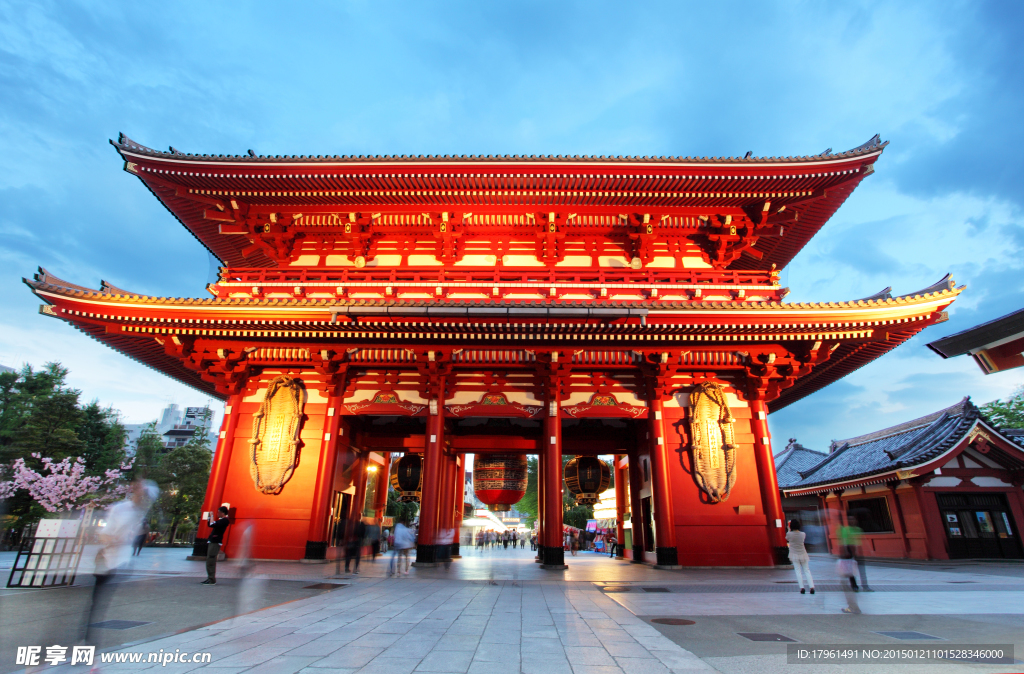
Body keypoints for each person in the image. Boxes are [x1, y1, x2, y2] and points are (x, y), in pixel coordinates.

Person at [86, 480, 158, 642]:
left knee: (100, 604)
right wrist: (114, 539)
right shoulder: (121, 509)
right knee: (97, 604)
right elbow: (105, 534)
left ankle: (90, 643)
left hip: (122, 562)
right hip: (108, 560)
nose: (144, 499)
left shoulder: (139, 515)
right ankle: (88, 643)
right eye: (142, 495)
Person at [838, 516, 870, 591]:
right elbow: (844, 540)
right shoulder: (845, 529)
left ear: (856, 520)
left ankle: (865, 586)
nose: (851, 521)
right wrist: (846, 551)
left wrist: (869, 550)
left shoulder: (859, 529)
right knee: (850, 570)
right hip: (849, 550)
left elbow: (863, 539)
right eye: (849, 519)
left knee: (862, 569)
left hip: (858, 549)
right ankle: (854, 586)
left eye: (853, 519)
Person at [202, 505, 230, 585]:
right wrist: (210, 517)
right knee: (209, 560)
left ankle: (211, 579)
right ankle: (209, 578)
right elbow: (210, 524)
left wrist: (212, 516)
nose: (217, 514)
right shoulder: (221, 520)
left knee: (211, 559)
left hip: (215, 541)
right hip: (213, 541)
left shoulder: (225, 520)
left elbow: (212, 524)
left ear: (222, 513)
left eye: (219, 512)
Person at [786, 520, 814, 595]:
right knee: (807, 570)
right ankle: (811, 587)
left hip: (794, 554)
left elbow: (787, 538)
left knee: (798, 571)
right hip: (803, 553)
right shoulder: (803, 534)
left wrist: (789, 529)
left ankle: (802, 588)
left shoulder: (789, 534)